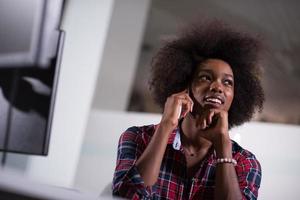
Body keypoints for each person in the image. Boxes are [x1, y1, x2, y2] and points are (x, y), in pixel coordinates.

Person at [112, 19, 264, 200]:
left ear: (235, 96)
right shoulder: (138, 138)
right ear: (185, 86)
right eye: (206, 77)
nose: (217, 87)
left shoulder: (245, 162)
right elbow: (127, 194)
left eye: (227, 82)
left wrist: (223, 147)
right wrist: (166, 125)